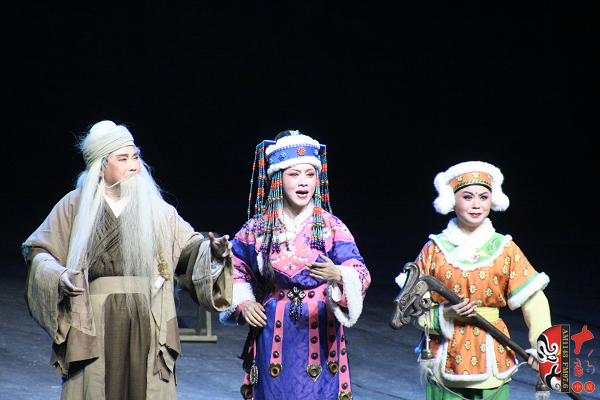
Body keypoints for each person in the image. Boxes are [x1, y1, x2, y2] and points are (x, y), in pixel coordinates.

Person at [22, 120, 234, 400]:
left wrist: (212, 252)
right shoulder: (75, 205)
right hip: (95, 320)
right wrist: (57, 274)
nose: (134, 165)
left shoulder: (157, 209)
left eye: (136, 157)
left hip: (148, 317)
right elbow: (38, 251)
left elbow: (189, 249)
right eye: (123, 159)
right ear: (101, 166)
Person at [220, 130, 371, 400]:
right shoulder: (259, 227)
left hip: (320, 328)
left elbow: (360, 272)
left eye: (310, 174)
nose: (303, 182)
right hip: (274, 329)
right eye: (294, 174)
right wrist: (243, 303)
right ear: (278, 179)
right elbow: (233, 267)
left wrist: (339, 275)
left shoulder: (331, 226)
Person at [399, 161, 551, 399]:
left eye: (483, 197)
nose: (477, 205)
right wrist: (444, 314)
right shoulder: (434, 249)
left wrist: (543, 352)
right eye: (467, 197)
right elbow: (409, 305)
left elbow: (535, 301)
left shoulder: (504, 247)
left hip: (493, 354)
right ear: (453, 200)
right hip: (443, 355)